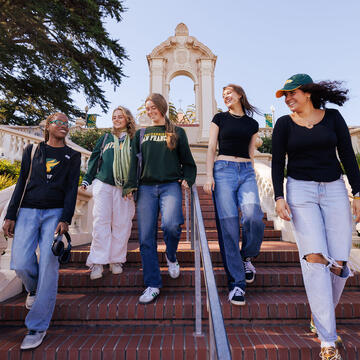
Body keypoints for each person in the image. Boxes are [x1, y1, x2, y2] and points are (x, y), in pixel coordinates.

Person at [272, 74, 360, 360]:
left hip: (335, 189)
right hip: (300, 190)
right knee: (314, 258)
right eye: (284, 95)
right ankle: (328, 339)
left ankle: (319, 313)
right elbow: (276, 161)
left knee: (339, 263)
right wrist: (278, 196)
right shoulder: (284, 124)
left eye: (291, 93)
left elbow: (347, 155)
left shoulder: (333, 118)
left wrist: (358, 193)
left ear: (307, 93)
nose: (287, 99)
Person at [2, 113, 81, 350]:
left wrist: (65, 218)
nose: (64, 126)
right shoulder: (32, 150)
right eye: (59, 122)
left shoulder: (73, 155)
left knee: (48, 263)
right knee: (21, 263)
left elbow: (71, 189)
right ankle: (34, 287)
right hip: (27, 210)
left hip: (54, 213)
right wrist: (11, 214)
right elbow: (22, 181)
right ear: (47, 126)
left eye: (67, 123)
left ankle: (37, 325)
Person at [124, 93, 196, 304]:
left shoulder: (177, 132)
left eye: (153, 107)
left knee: (172, 225)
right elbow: (132, 161)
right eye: (147, 108)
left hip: (170, 185)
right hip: (146, 188)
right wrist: (130, 184)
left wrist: (188, 179)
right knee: (146, 237)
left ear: (162, 107)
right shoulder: (141, 134)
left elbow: (188, 162)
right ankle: (152, 284)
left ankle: (171, 256)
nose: (150, 111)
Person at [203, 84, 265, 306]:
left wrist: (253, 173)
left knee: (253, 216)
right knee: (229, 227)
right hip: (223, 171)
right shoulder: (219, 118)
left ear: (240, 95)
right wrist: (208, 176)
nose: (226, 96)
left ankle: (247, 256)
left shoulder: (252, 123)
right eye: (223, 94)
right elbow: (211, 147)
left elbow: (251, 153)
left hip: (246, 171)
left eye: (229, 93)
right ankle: (237, 284)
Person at [81, 106, 136, 279]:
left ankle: (116, 259)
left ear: (128, 119)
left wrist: (133, 184)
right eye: (114, 117)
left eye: (120, 116)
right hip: (103, 183)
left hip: (125, 188)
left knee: (122, 224)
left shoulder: (134, 139)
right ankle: (97, 261)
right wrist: (87, 179)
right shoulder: (105, 138)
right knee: (101, 222)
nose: (117, 119)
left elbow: (138, 163)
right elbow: (94, 159)